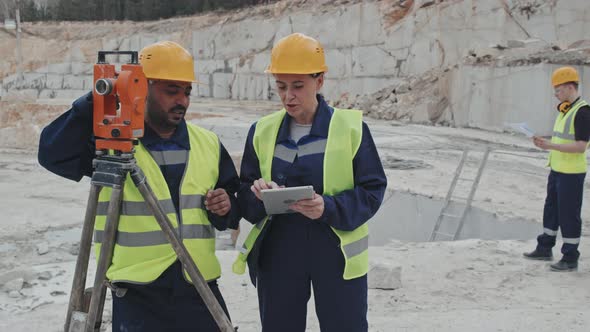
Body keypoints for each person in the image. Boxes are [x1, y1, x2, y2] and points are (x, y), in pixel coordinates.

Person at [38, 41, 241, 331]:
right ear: (141, 87)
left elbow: (230, 208)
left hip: (199, 289)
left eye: (187, 91)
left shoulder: (207, 143)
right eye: (172, 90)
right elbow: (51, 153)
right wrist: (98, 98)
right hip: (138, 295)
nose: (182, 100)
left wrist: (226, 206)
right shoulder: (111, 143)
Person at [232, 33, 387, 331]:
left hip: (334, 250)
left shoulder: (350, 128)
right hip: (279, 250)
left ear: (320, 81)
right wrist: (257, 196)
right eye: (281, 86)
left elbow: (372, 190)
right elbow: (244, 193)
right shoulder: (262, 131)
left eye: (298, 86)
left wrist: (326, 207)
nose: (288, 95)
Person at [524, 66, 590, 272]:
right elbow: (562, 138)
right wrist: (545, 142)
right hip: (557, 169)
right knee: (551, 209)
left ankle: (570, 257)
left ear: (571, 87)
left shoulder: (583, 112)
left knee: (569, 214)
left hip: (572, 174)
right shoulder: (565, 109)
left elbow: (580, 146)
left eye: (559, 91)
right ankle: (545, 247)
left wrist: (550, 145)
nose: (556, 96)